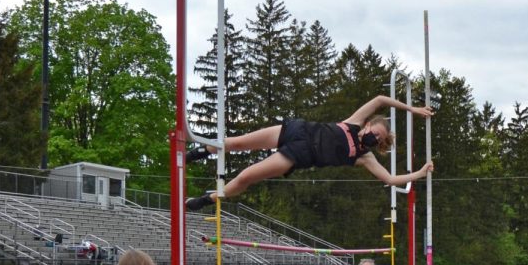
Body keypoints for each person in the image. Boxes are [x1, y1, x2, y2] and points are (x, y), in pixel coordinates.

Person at [185, 95, 434, 211]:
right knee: (237, 143)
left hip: (297, 155)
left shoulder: (363, 156)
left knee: (245, 178)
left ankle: (209, 199)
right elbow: (380, 100)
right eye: (375, 131)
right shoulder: (355, 122)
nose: (375, 137)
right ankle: (201, 150)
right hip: (296, 131)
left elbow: (390, 180)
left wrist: (420, 174)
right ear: (368, 124)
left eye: (379, 139)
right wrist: (411, 109)